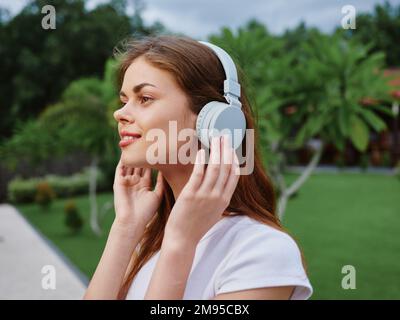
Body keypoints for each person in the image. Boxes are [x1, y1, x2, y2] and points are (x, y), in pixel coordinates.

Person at [83, 35, 313, 300]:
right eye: (124, 100)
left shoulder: (262, 252)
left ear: (215, 120)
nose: (120, 113)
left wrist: (180, 243)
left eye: (145, 98)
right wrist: (125, 228)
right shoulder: (146, 239)